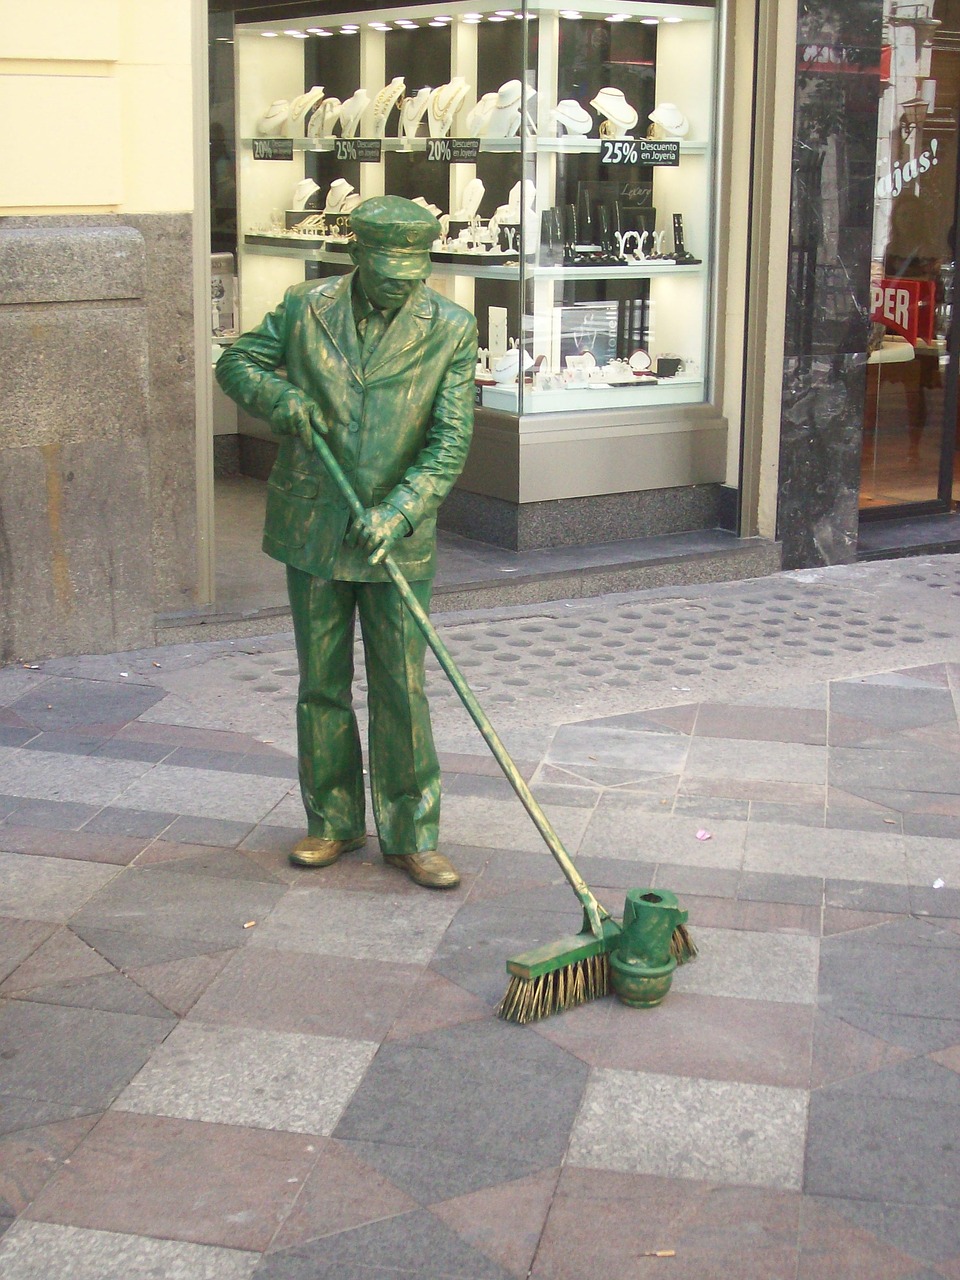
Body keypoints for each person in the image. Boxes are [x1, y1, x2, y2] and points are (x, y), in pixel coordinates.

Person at [216, 195, 477, 888]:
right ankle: (331, 819)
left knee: (403, 688)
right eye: (389, 268)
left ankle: (411, 831)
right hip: (315, 525)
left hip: (397, 536)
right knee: (321, 684)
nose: (403, 282)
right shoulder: (306, 308)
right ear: (357, 255)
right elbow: (238, 362)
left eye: (414, 270)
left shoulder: (450, 327)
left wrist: (401, 510)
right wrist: (279, 399)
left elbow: (451, 441)